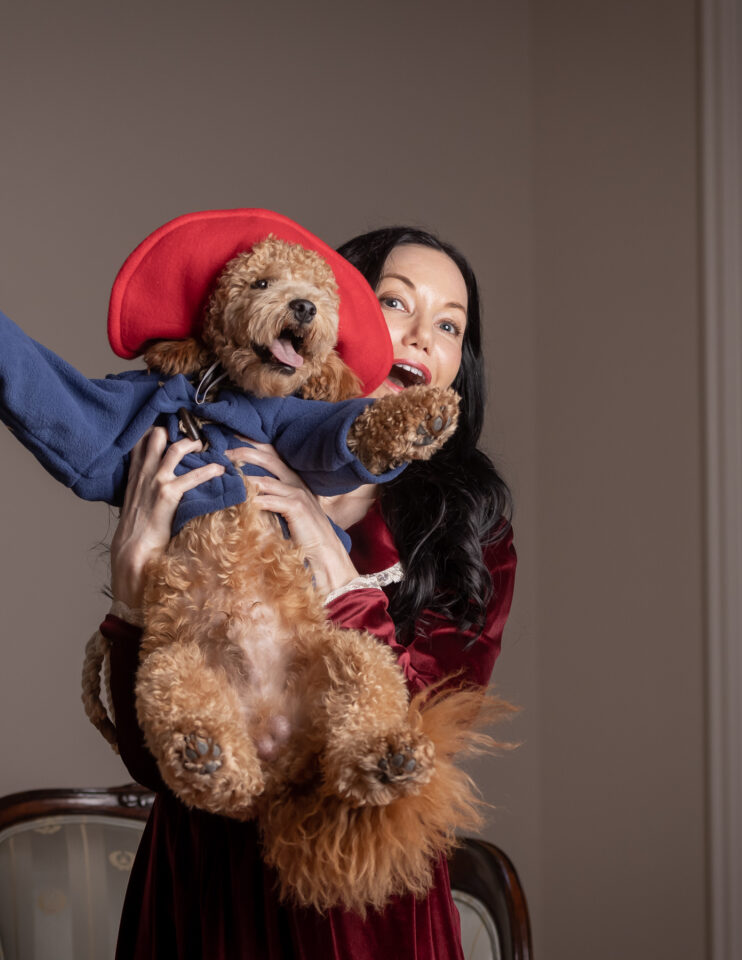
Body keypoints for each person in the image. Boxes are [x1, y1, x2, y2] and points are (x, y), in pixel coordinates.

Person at [99, 226, 516, 960]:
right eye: (397, 304)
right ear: (327, 313)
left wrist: (338, 573)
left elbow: (417, 744)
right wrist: (132, 589)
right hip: (206, 891)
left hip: (368, 911)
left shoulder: (468, 530)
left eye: (450, 324)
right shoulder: (206, 468)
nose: (423, 337)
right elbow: (154, 753)